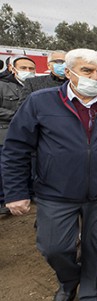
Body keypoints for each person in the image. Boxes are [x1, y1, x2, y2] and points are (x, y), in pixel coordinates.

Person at [2, 48, 97, 301]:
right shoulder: (41, 102)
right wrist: (16, 192)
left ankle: (95, 296)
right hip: (55, 192)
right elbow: (16, 148)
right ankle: (68, 280)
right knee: (54, 247)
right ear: (69, 71)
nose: (96, 77)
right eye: (88, 71)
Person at [1, 56, 37, 215]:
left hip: (32, 133)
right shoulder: (3, 86)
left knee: (31, 164)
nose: (28, 72)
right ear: (11, 68)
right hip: (5, 132)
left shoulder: (36, 86)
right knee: (9, 164)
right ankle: (4, 199)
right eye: (24, 68)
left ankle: (31, 192)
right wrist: (19, 114)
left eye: (31, 69)